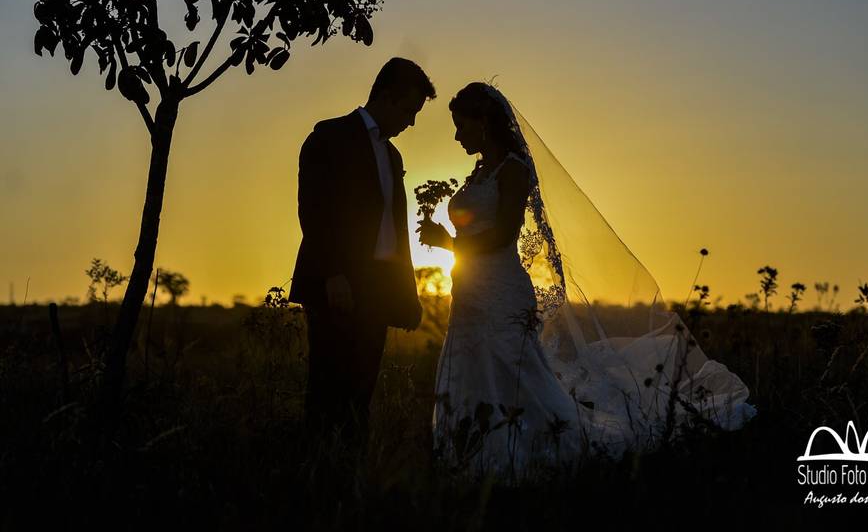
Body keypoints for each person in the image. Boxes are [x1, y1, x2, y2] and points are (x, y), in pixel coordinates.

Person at [417, 82, 757, 481]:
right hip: (469, 291)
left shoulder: (513, 170)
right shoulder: (478, 173)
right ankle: (474, 457)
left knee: (515, 374)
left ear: (484, 123)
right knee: (472, 369)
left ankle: (540, 453)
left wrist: (448, 242)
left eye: (461, 125)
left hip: (501, 292)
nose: (457, 136)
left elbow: (505, 234)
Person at [289, 57, 435, 448]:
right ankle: (316, 475)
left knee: (360, 393)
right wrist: (333, 273)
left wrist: (407, 294)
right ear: (386, 98)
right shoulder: (330, 136)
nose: (411, 122)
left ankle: (350, 479)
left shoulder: (393, 157)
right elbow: (314, 209)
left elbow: (395, 232)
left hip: (378, 287)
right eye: (409, 110)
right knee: (326, 389)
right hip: (338, 283)